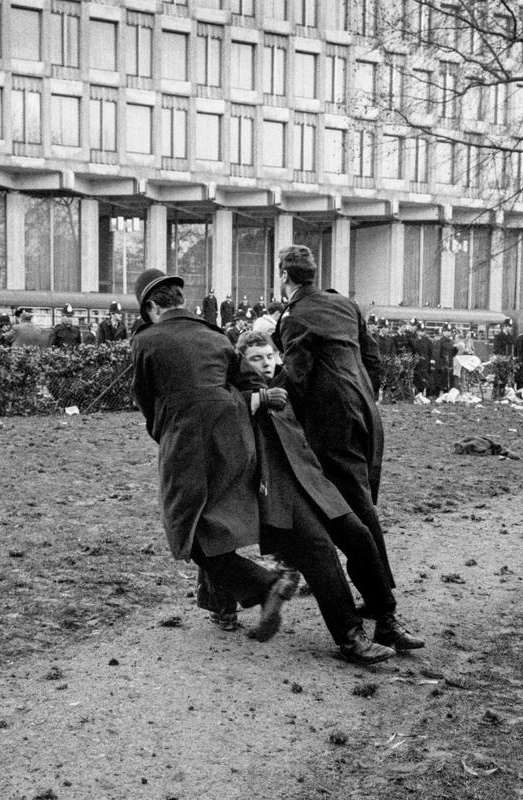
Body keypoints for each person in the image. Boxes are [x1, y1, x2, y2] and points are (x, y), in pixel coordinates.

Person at [130, 268, 296, 642]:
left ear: (153, 307)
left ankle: (265, 584)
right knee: (217, 522)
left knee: (186, 528)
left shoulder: (147, 341)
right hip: (234, 439)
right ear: (182, 302)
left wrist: (165, 430)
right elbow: (248, 381)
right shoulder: (216, 336)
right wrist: (254, 403)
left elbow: (145, 398)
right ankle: (223, 605)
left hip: (186, 441)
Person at [274, 245, 422, 651]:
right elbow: (372, 359)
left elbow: (297, 378)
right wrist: (359, 398)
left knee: (355, 518)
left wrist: (270, 396)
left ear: (284, 278)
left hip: (333, 425)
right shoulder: (346, 305)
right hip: (367, 419)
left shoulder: (294, 317)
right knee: (359, 511)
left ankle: (384, 615)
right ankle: (382, 611)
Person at [234, 330, 403, 663]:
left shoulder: (285, 385)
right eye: (255, 359)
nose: (265, 365)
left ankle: (387, 621)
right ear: (241, 361)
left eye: (269, 356)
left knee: (360, 535)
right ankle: (351, 639)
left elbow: (306, 371)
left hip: (313, 481)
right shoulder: (240, 394)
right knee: (319, 550)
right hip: (279, 492)